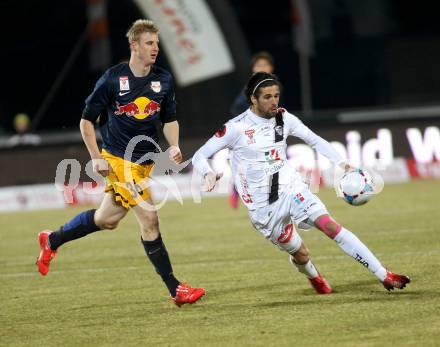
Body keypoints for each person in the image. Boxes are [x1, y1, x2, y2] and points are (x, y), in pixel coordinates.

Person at [36, 19, 205, 307]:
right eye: (149, 43)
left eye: (157, 43)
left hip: (143, 164)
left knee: (107, 220)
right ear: (134, 46)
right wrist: (96, 158)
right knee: (150, 219)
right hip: (117, 161)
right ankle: (176, 289)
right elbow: (86, 121)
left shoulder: (163, 80)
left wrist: (174, 144)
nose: (155, 48)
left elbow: (169, 119)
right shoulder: (113, 79)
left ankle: (52, 240)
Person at [192, 72, 410, 294]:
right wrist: (207, 173)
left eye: (276, 95)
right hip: (263, 210)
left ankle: (384, 275)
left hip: (291, 188)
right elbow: (200, 155)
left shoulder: (284, 119)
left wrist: (343, 164)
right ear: (253, 99)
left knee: (330, 225)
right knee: (300, 253)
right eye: (267, 97)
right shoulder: (235, 128)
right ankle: (313, 276)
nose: (274, 101)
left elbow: (314, 140)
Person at [228, 51, 275, 208]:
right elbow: (236, 108)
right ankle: (235, 190)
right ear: (253, 69)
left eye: (264, 65)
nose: (261, 68)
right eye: (258, 66)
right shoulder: (250, 88)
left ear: (271, 68)